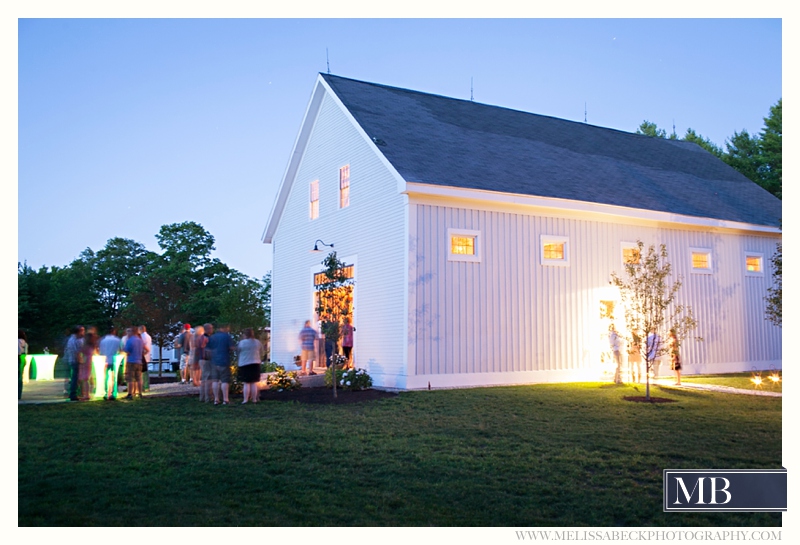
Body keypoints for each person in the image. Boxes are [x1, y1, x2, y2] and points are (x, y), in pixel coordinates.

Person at [207, 324, 235, 405]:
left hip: (214, 361)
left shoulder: (212, 337)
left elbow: (207, 350)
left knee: (215, 380)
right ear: (224, 328)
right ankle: (225, 399)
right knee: (224, 381)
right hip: (224, 360)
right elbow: (231, 348)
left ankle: (216, 399)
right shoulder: (227, 337)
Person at [237, 328, 263, 404]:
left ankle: (245, 399)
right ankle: (254, 399)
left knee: (246, 383)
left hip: (244, 363)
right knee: (253, 382)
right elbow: (261, 352)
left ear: (245, 335)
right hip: (255, 363)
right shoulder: (257, 342)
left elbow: (238, 351)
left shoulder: (242, 343)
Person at [99, 327, 121, 400]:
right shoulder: (117, 340)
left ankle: (106, 393)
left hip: (106, 360)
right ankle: (113, 393)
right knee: (114, 377)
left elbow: (101, 352)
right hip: (114, 360)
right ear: (114, 332)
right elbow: (120, 350)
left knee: (106, 377)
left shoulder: (103, 341)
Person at [64, 325, 85, 402]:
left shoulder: (75, 339)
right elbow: (77, 352)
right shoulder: (74, 340)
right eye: (82, 331)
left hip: (73, 360)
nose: (83, 332)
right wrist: (81, 361)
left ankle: (75, 393)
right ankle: (73, 394)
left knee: (75, 378)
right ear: (79, 331)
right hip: (75, 361)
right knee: (75, 378)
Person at [124, 327, 144, 399]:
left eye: (129, 332)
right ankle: (140, 393)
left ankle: (130, 394)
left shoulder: (130, 340)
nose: (127, 333)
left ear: (132, 332)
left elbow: (127, 350)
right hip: (139, 361)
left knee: (130, 379)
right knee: (139, 378)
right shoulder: (140, 340)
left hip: (131, 361)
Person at [79, 327, 99, 401]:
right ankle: (87, 394)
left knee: (85, 379)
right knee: (87, 378)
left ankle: (86, 394)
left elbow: (80, 352)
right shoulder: (92, 345)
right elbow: (95, 353)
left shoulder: (85, 346)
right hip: (89, 361)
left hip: (85, 361)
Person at [139, 325, 152, 392]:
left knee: (143, 373)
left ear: (141, 329)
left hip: (143, 356)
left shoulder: (142, 337)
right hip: (147, 356)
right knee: (145, 372)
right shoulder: (149, 336)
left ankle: (144, 387)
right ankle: (146, 386)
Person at [18, 330, 28, 400]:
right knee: (19, 377)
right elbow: (25, 352)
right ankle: (19, 394)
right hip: (22, 358)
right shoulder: (24, 342)